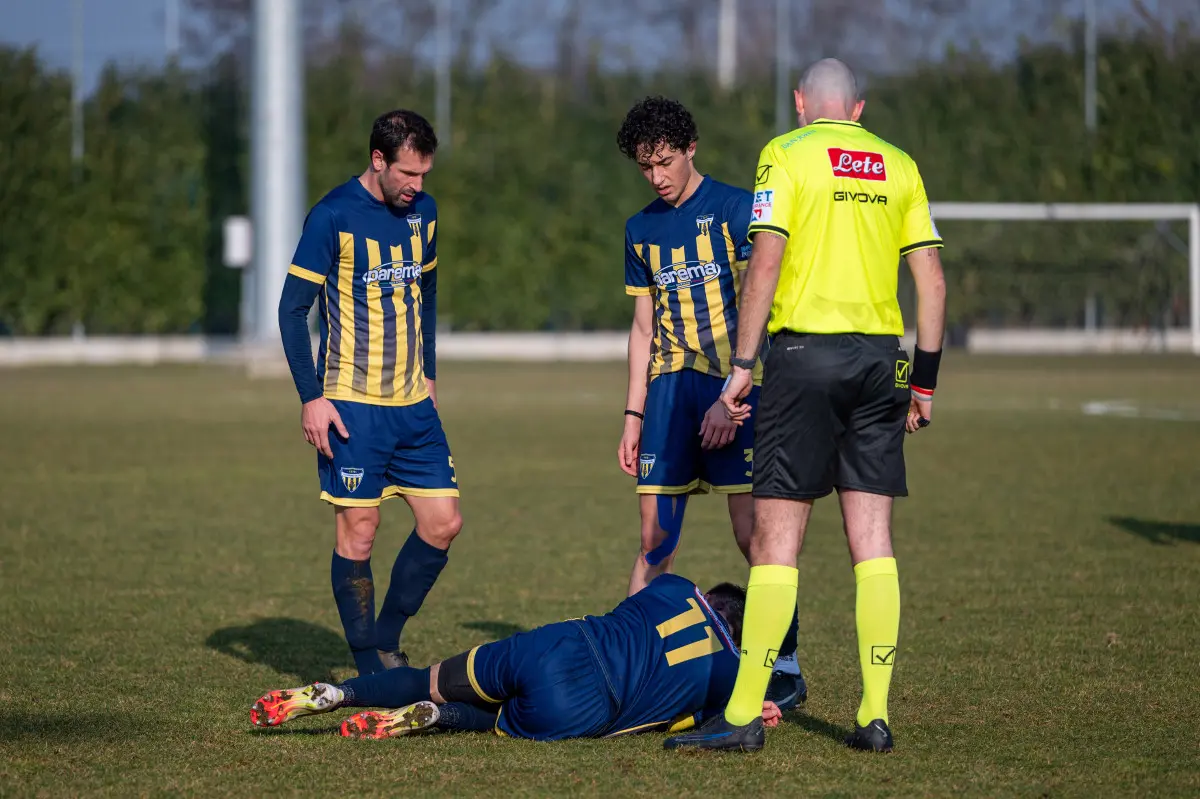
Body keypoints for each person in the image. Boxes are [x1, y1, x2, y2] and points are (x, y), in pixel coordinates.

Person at [665, 58, 947, 754]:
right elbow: (933, 285)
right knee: (872, 540)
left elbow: (765, 260)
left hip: (801, 361)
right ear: (858, 109)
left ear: (800, 102)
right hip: (882, 360)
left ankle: (739, 716)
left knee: (777, 541)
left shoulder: (785, 154)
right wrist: (926, 384)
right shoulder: (898, 162)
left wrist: (739, 366)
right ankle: (874, 715)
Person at [614, 96, 805, 709]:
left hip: (736, 389)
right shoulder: (640, 229)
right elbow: (643, 328)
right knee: (654, 542)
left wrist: (740, 387)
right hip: (670, 392)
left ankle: (786, 666)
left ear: (689, 148)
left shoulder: (733, 209)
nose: (658, 177)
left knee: (756, 538)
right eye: (646, 168)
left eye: (665, 162)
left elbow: (763, 298)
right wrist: (633, 414)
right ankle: (627, 667)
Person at [277, 109, 463, 677]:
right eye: (408, 173)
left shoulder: (423, 214)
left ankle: (386, 637)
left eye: (425, 174)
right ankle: (370, 664)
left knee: (443, 522)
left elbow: (426, 295)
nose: (417, 186)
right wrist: (312, 397)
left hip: (413, 404)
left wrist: (429, 374)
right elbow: (291, 311)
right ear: (378, 160)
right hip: (350, 404)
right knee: (360, 529)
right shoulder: (332, 216)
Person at [249, 574, 784, 742]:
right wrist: (754, 706)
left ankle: (338, 693)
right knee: (493, 721)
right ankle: (439, 720)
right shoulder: (730, 673)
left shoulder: (674, 586)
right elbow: (689, 724)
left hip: (563, 644)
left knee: (432, 678)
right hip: (587, 705)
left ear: (710, 598)